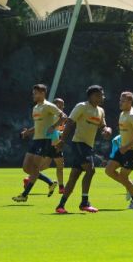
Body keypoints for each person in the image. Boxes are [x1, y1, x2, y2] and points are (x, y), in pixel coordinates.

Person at [55, 85, 109, 214]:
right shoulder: (82, 106)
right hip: (79, 143)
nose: (102, 97)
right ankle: (84, 203)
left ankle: (60, 205)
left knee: (74, 176)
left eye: (102, 95)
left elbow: (103, 126)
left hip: (88, 146)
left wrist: (107, 130)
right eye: (99, 95)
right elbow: (70, 122)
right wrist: (62, 140)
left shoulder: (100, 110)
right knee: (90, 170)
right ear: (91, 96)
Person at [13, 84, 67, 203]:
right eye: (33, 93)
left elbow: (63, 116)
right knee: (27, 168)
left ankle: (24, 195)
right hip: (35, 140)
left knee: (36, 167)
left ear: (42, 93)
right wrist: (28, 132)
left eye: (35, 93)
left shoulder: (49, 106)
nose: (33, 95)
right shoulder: (36, 107)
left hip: (44, 141)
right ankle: (50, 182)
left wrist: (53, 127)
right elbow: (38, 126)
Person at [104, 92, 133, 209]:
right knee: (109, 170)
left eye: (123, 101)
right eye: (120, 100)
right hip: (122, 149)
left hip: (132, 151)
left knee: (123, 176)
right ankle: (131, 186)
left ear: (130, 102)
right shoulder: (122, 113)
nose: (120, 103)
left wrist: (127, 146)